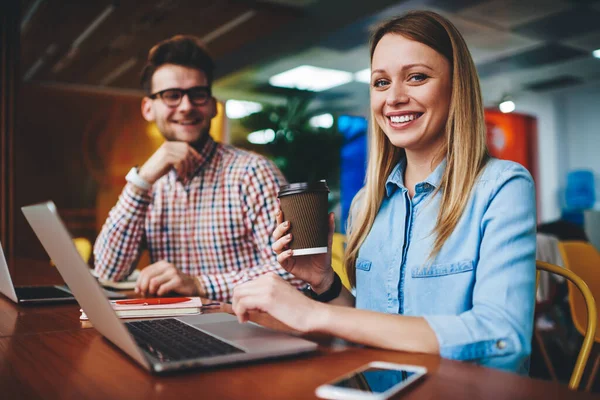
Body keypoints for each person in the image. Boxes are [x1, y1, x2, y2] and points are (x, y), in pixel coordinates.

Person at [232, 11, 536, 374]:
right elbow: (371, 326)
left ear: (457, 87)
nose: (394, 98)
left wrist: (314, 313)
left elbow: (504, 339)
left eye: (417, 77)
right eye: (380, 82)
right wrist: (325, 284)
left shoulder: (502, 186)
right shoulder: (366, 204)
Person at [94, 35, 304, 302]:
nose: (186, 106)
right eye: (172, 96)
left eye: (198, 94)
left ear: (213, 106)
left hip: (245, 326)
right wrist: (142, 180)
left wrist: (199, 285)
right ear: (148, 108)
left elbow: (294, 274)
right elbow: (108, 271)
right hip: (174, 326)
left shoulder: (253, 172)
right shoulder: (149, 185)